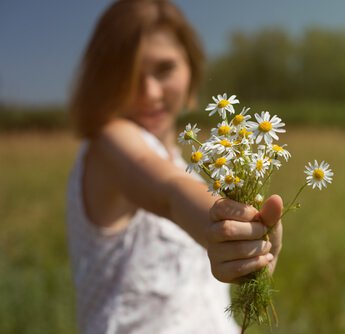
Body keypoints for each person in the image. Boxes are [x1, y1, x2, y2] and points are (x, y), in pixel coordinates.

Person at [65, 0, 283, 333]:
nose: (150, 92)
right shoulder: (110, 145)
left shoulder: (195, 166)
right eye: (129, 74)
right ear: (103, 79)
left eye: (164, 69)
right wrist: (223, 224)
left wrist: (251, 250)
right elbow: (169, 190)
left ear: (191, 69)